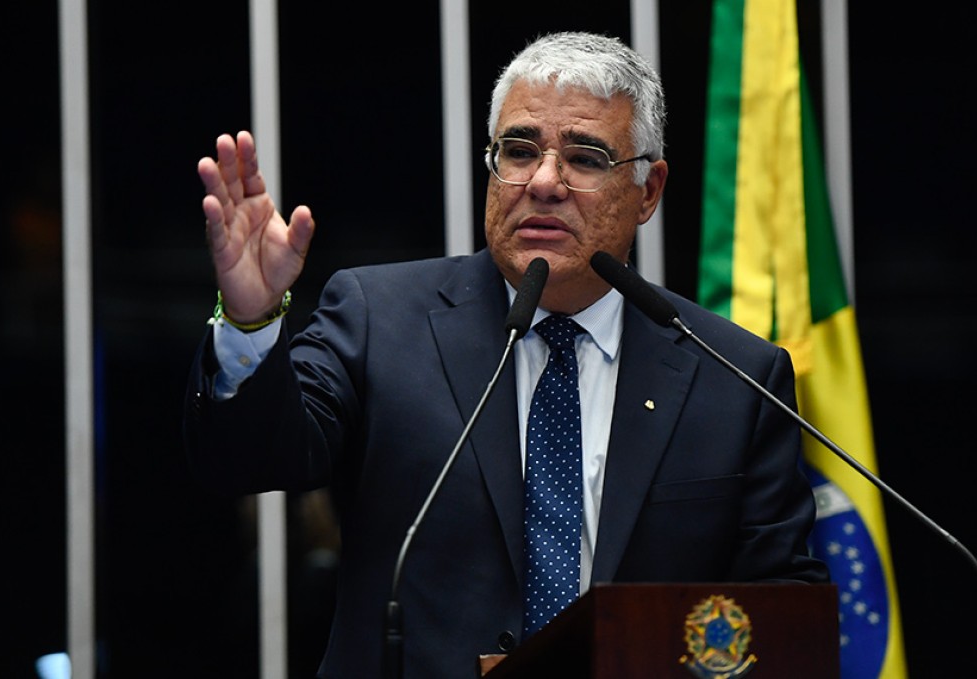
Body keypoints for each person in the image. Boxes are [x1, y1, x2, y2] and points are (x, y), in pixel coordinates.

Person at [184, 31, 828, 679]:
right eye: (518, 151)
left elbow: (781, 618)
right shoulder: (379, 320)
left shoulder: (734, 376)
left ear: (648, 190)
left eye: (585, 158)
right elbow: (247, 456)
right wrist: (249, 321)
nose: (543, 182)